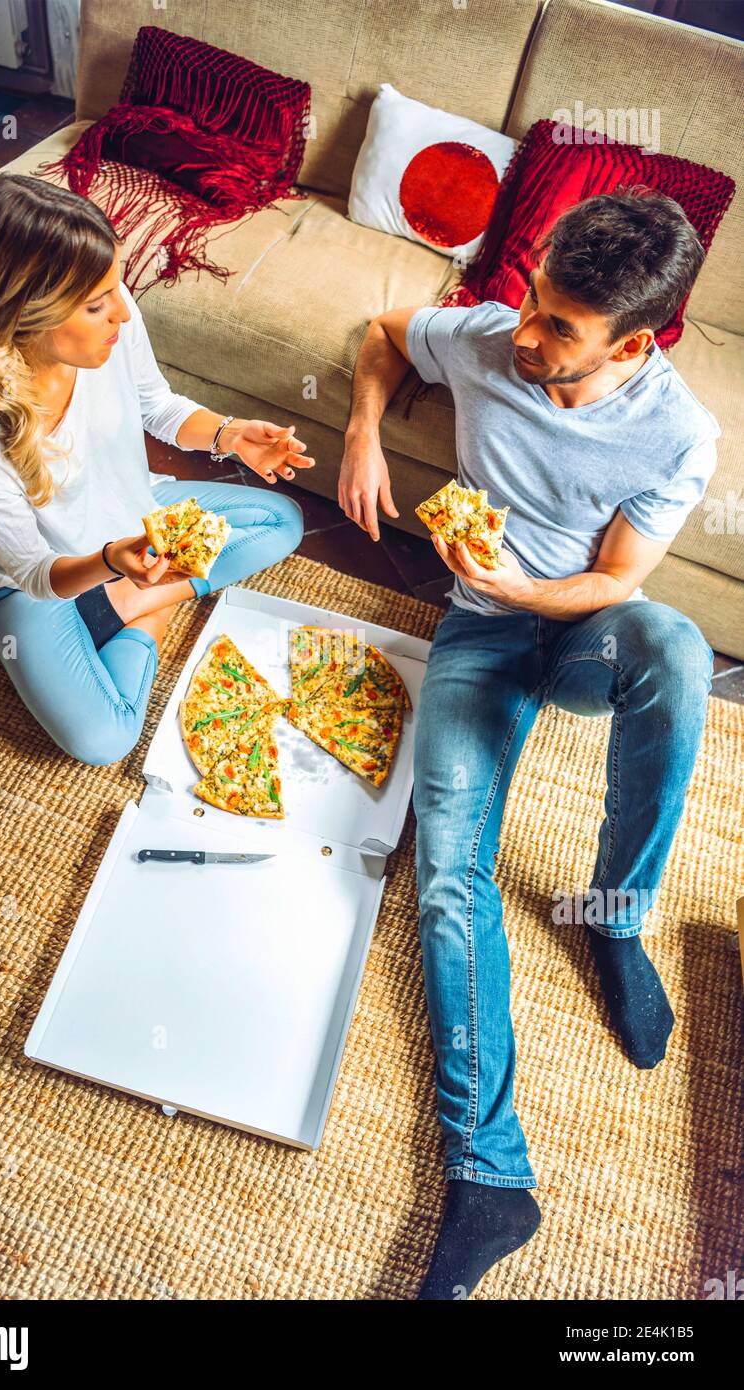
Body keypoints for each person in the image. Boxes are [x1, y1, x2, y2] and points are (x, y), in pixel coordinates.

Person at [338, 188, 719, 1299]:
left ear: (636, 342)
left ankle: (614, 916)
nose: (526, 336)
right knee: (448, 871)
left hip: (586, 630)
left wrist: (518, 583)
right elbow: (380, 331)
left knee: (676, 650)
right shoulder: (489, 332)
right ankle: (490, 1177)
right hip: (477, 632)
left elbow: (612, 580)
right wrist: (364, 428)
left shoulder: (678, 431)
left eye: (559, 328)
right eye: (534, 302)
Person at [0, 173, 312, 766]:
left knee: (280, 522)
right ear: (29, 312)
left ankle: (128, 605)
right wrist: (114, 564)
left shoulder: (111, 322)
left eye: (115, 291)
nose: (122, 316)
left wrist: (231, 435)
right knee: (103, 741)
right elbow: (32, 571)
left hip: (142, 520)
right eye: (96, 305)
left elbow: (156, 405)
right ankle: (146, 608)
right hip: (34, 585)